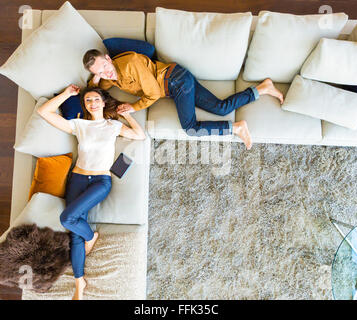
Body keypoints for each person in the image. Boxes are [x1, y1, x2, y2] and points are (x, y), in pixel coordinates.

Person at [37, 84, 145, 300]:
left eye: (96, 99)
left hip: (100, 181)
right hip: (77, 179)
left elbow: (139, 135)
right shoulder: (79, 125)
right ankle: (79, 282)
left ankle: (91, 236)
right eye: (88, 100)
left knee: (67, 218)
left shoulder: (113, 125)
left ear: (104, 103)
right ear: (84, 105)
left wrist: (128, 116)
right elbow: (44, 112)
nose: (92, 103)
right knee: (74, 233)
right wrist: (67, 94)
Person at [83, 49, 284, 150]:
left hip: (177, 81)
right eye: (100, 72)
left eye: (105, 67)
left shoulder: (130, 63)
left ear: (109, 58)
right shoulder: (110, 77)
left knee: (190, 128)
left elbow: (152, 93)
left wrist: (133, 107)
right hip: (178, 79)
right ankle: (262, 88)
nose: (106, 73)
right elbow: (95, 89)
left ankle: (236, 128)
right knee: (221, 108)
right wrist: (98, 76)